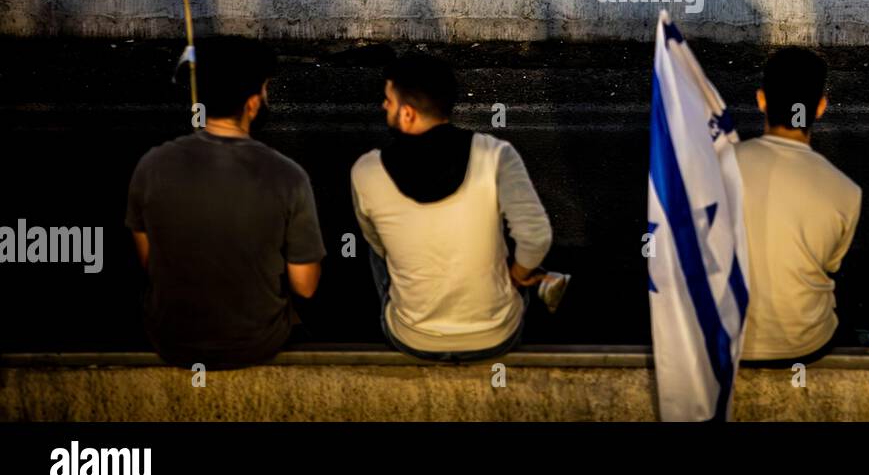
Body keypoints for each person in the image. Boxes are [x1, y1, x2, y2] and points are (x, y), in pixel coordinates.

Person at [125, 37, 325, 368]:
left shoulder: (152, 165)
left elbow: (151, 262)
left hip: (172, 339)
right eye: (264, 89)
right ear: (251, 103)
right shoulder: (288, 176)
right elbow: (305, 286)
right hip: (254, 344)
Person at [352, 53, 558, 362]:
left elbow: (380, 246)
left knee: (374, 244)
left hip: (412, 337)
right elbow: (536, 237)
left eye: (388, 100)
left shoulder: (366, 171)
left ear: (407, 114)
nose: (384, 106)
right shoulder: (495, 155)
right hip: (496, 335)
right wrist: (515, 276)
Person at [736, 47, 861, 367]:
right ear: (820, 107)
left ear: (762, 100)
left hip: (723, 338)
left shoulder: (715, 165)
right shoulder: (846, 191)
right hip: (805, 345)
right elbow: (831, 265)